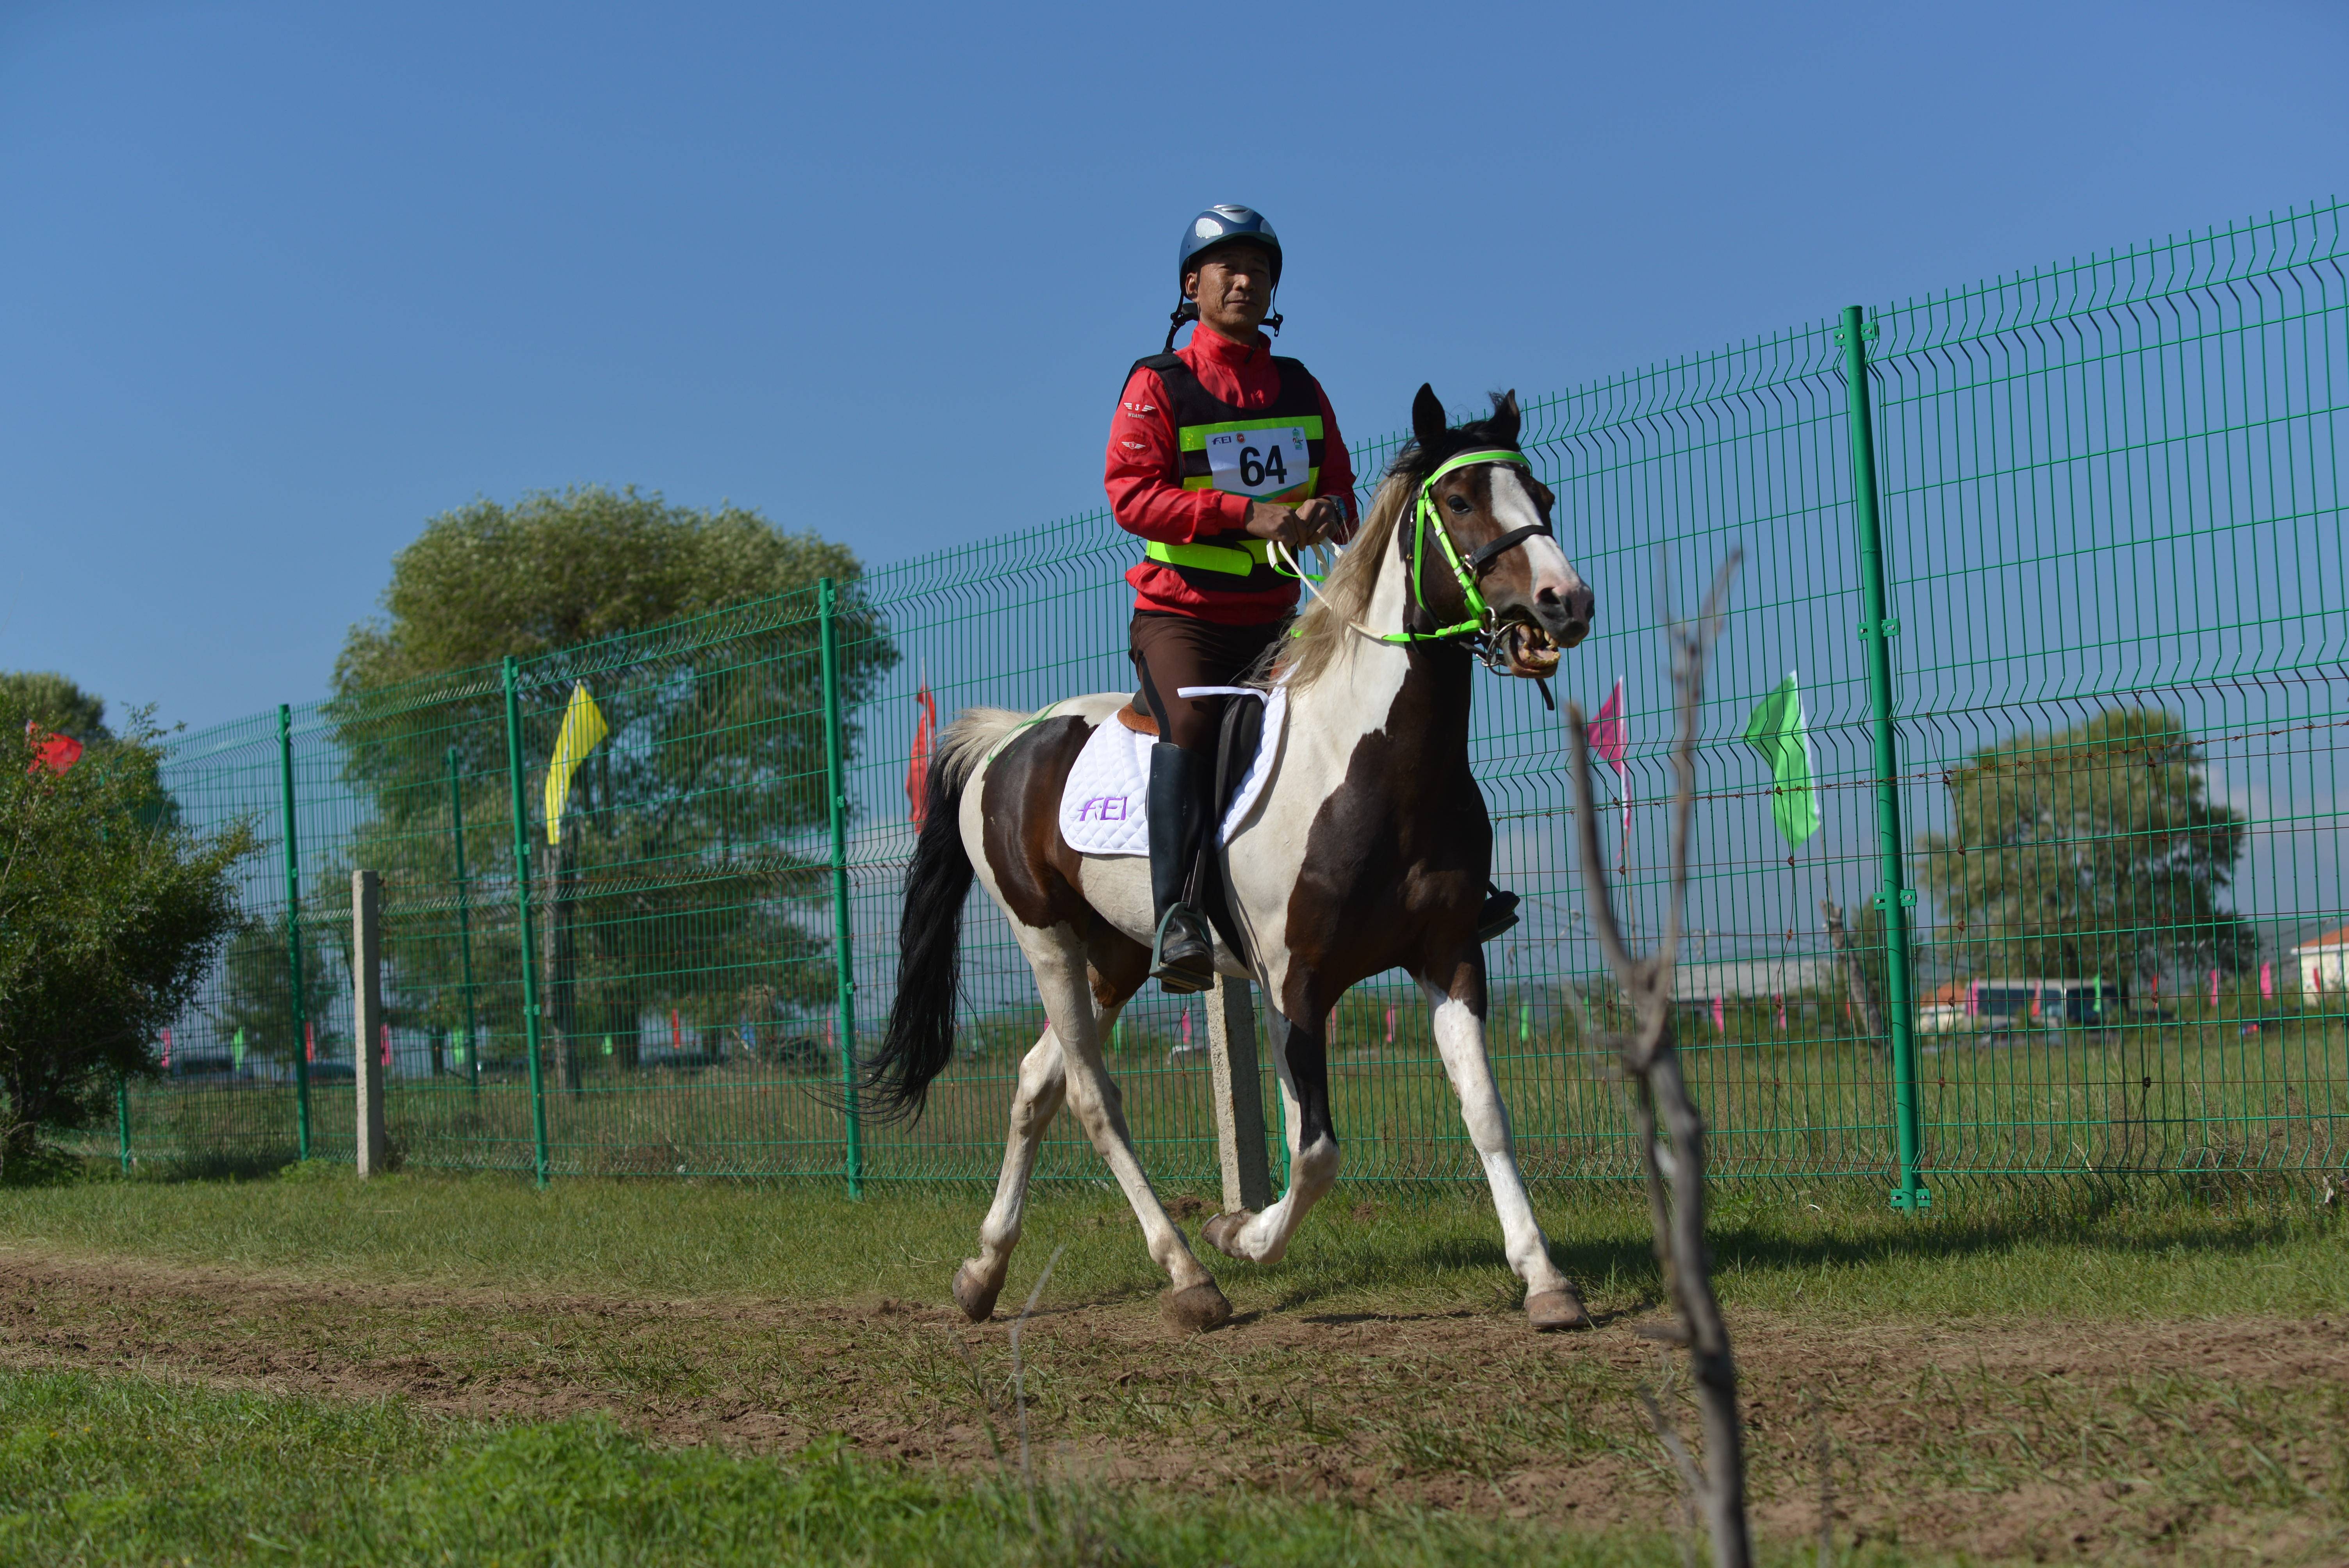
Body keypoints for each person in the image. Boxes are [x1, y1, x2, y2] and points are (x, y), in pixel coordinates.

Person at [1105, 205, 1357, 993]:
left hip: (1277, 616)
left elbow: (1342, 489)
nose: (1246, 281)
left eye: (1259, 270)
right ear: (1194, 286)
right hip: (1180, 616)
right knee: (1193, 721)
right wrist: (1246, 514)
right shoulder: (1158, 384)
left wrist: (1329, 515)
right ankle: (1176, 917)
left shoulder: (1298, 384)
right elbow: (1130, 496)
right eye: (1228, 268)